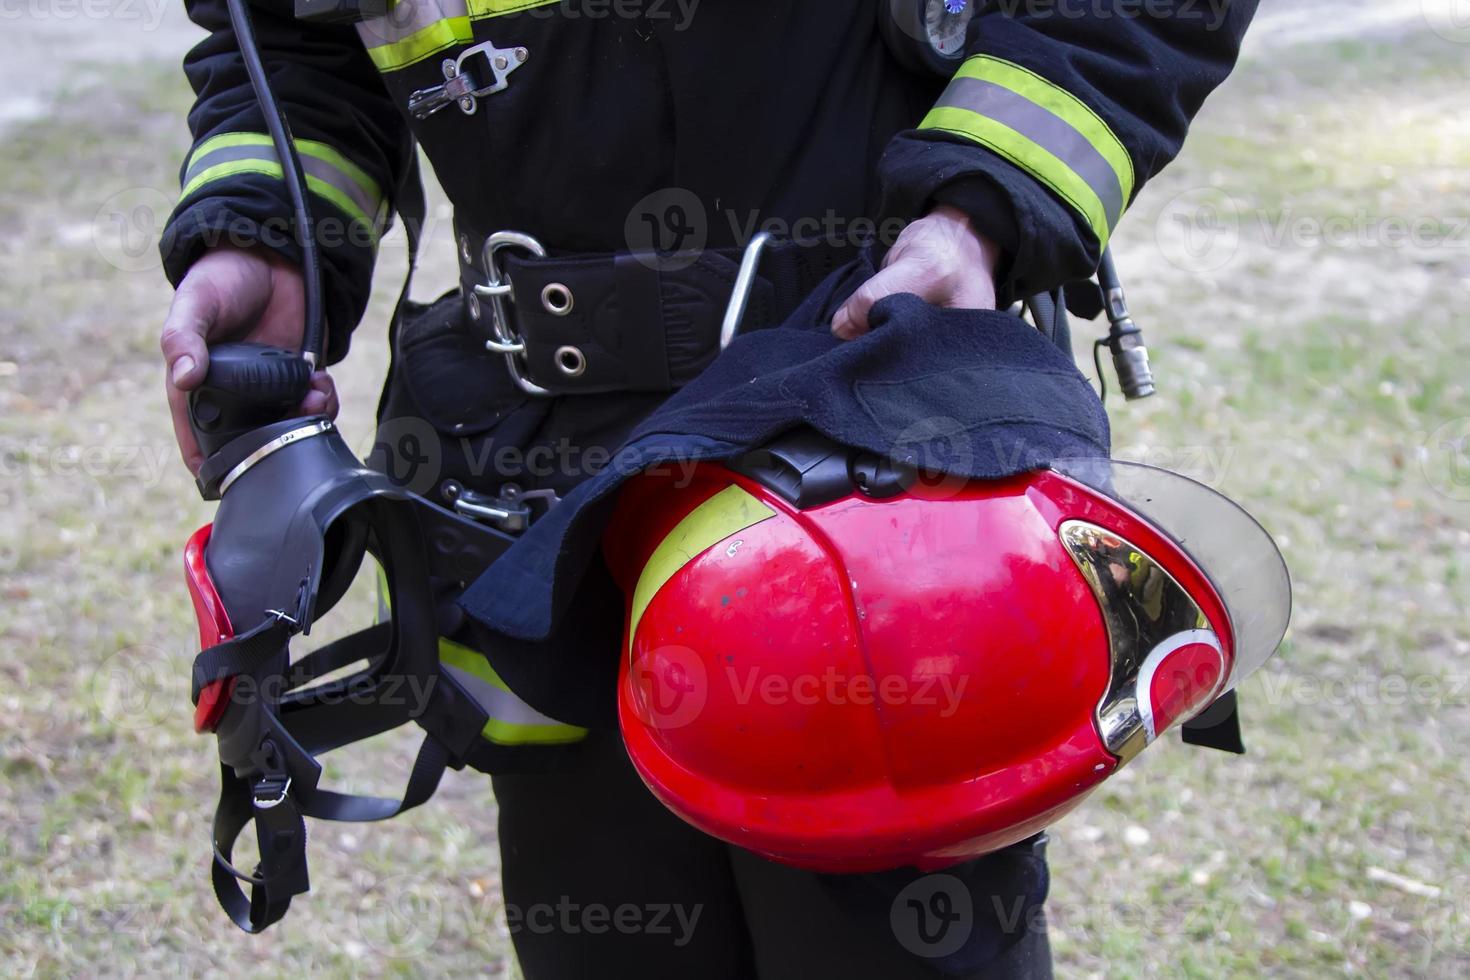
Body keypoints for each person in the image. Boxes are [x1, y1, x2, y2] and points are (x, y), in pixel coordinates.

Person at [157, 2, 1258, 976]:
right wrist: (268, 237)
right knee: (601, 921)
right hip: (533, 497)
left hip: (864, 438)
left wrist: (982, 204)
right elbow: (290, 45)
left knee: (895, 925)